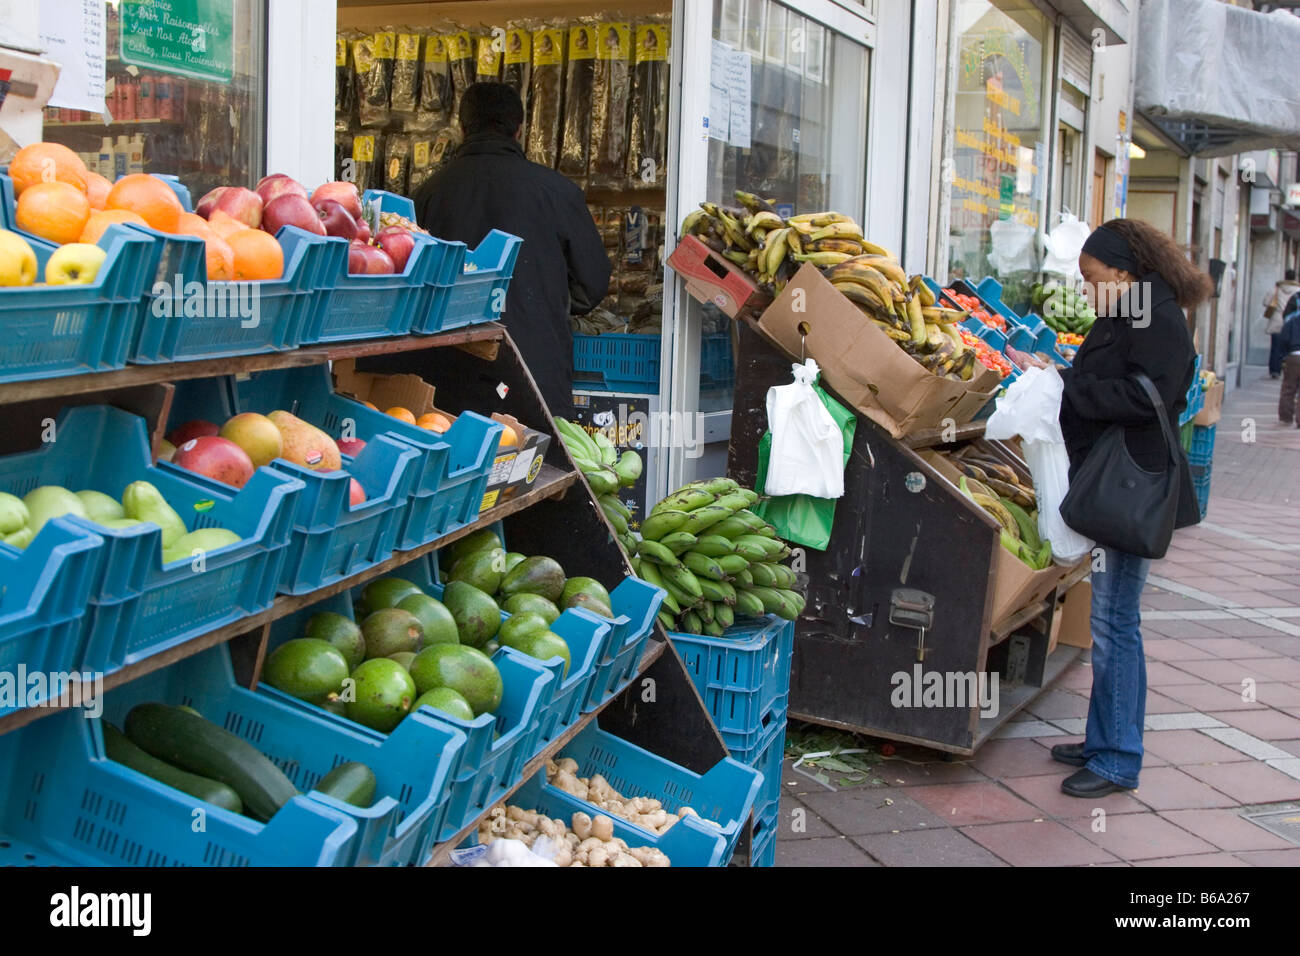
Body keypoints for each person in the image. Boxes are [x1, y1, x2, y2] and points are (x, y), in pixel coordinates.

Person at [1018, 219, 1212, 798]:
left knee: (1115, 623)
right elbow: (1109, 377)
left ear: (1123, 274)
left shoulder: (1157, 319)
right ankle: (1104, 738)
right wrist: (1057, 376)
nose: (1086, 289)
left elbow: (1142, 394)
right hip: (1115, 478)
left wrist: (1068, 388)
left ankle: (1118, 758)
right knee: (1110, 619)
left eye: (1092, 278)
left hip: (1133, 485)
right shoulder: (1130, 310)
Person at [412, 83, 611, 417]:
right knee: (541, 466)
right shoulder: (557, 192)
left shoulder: (428, 194)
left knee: (456, 461)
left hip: (448, 374)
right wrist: (546, 300)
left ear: (462, 128)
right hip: (533, 373)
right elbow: (593, 283)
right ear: (520, 130)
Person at [1264, 268, 1300, 379]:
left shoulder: (1277, 288)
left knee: (1275, 346)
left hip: (1277, 319)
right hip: (1293, 322)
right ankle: (1287, 369)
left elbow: (1265, 302)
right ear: (1295, 277)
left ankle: (1274, 371)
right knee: (1290, 348)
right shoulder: (1298, 290)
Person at [1276, 305, 1300, 426]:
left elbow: (1283, 340)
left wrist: (1282, 358)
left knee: (1289, 388)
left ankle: (1286, 416)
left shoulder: (1291, 322)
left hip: (1293, 356)